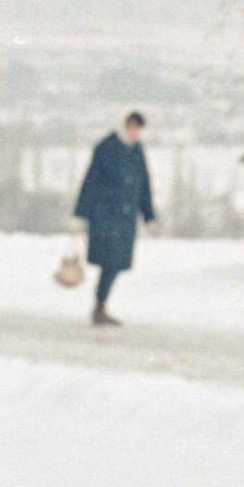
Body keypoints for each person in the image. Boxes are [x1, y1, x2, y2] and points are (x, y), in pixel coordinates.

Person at [73, 110, 157, 325]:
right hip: (104, 215)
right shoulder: (106, 148)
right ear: (124, 126)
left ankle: (100, 305)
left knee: (117, 263)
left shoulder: (137, 151)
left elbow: (144, 184)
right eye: (132, 128)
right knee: (110, 261)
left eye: (138, 129)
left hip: (126, 217)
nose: (135, 133)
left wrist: (148, 214)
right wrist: (81, 212)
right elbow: (91, 180)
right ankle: (99, 307)